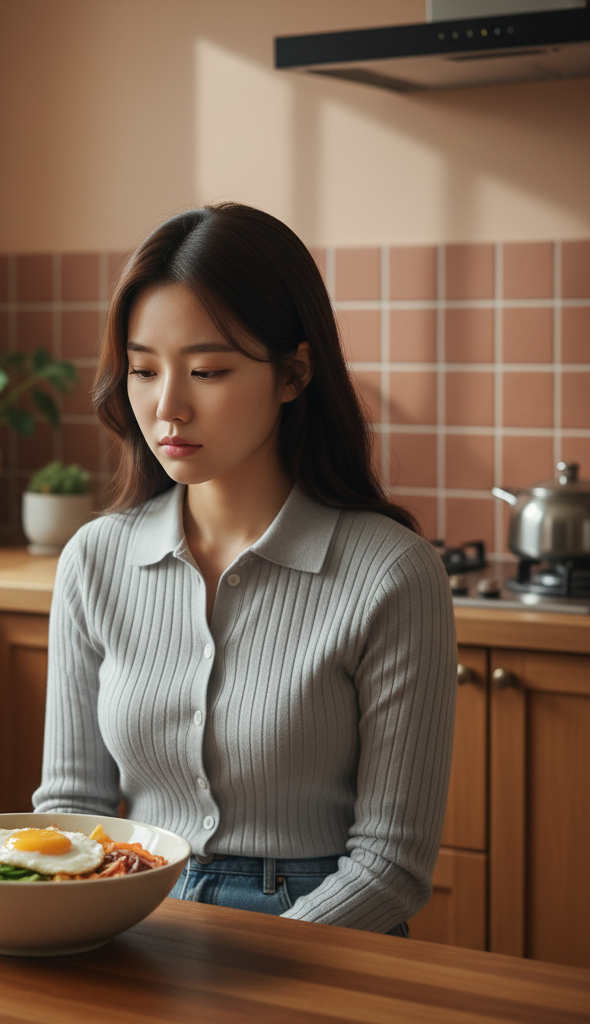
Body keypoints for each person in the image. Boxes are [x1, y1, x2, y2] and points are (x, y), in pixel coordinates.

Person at [32, 203, 456, 934]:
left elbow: (391, 868)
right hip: (136, 917)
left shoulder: (392, 574)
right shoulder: (94, 560)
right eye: (142, 370)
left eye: (207, 370)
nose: (168, 407)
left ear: (293, 373)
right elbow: (73, 815)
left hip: (322, 934)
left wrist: (244, 976)